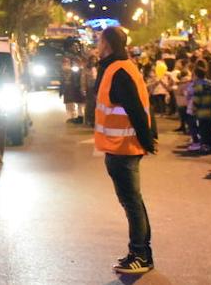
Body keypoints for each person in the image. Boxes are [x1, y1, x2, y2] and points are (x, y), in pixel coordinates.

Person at [93, 26, 156, 275]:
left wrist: (147, 140)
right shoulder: (120, 67)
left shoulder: (117, 71)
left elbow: (136, 109)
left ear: (107, 44)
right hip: (121, 147)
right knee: (134, 202)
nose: (97, 46)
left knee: (131, 203)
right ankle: (141, 252)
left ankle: (139, 254)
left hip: (124, 148)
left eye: (99, 41)